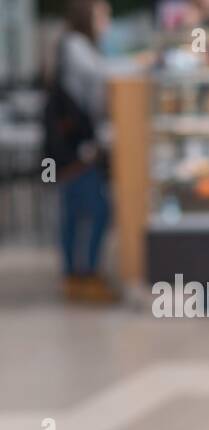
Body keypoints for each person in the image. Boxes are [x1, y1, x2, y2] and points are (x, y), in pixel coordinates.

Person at [44, 0, 114, 302]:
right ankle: (83, 275)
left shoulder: (69, 46)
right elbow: (100, 85)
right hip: (77, 148)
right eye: (103, 15)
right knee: (97, 210)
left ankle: (75, 276)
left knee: (73, 213)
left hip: (68, 149)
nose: (107, 21)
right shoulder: (77, 47)